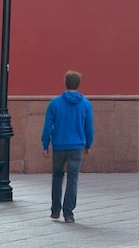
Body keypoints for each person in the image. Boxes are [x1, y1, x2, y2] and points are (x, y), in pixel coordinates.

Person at [41, 70, 94, 223]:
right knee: (73, 178)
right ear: (79, 84)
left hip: (59, 145)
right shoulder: (85, 104)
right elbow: (89, 127)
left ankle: (55, 210)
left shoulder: (55, 103)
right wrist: (88, 144)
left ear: (65, 82)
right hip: (77, 146)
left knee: (57, 176)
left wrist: (46, 144)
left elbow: (47, 126)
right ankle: (68, 213)